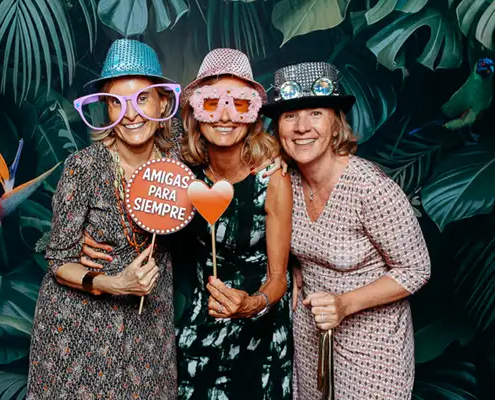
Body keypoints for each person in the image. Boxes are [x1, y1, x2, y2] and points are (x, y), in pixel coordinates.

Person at [261, 61, 431, 400]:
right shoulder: (285, 182)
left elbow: (416, 269)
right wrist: (294, 268)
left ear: (336, 121)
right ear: (278, 127)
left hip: (373, 349)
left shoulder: (370, 187)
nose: (302, 127)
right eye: (290, 115)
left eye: (316, 113)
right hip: (312, 342)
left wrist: (345, 303)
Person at [26, 39, 183, 399]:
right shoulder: (83, 168)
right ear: (105, 110)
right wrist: (113, 283)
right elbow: (59, 261)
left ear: (161, 101)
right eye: (117, 102)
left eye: (142, 98)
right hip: (81, 328)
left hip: (147, 323)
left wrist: (274, 159)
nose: (131, 114)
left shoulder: (178, 166)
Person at [173, 48, 293, 399]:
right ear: (196, 111)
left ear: (253, 114)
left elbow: (278, 278)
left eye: (238, 104)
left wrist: (251, 304)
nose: (225, 116)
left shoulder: (273, 179)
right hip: (201, 327)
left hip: (261, 333)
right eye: (212, 103)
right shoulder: (182, 174)